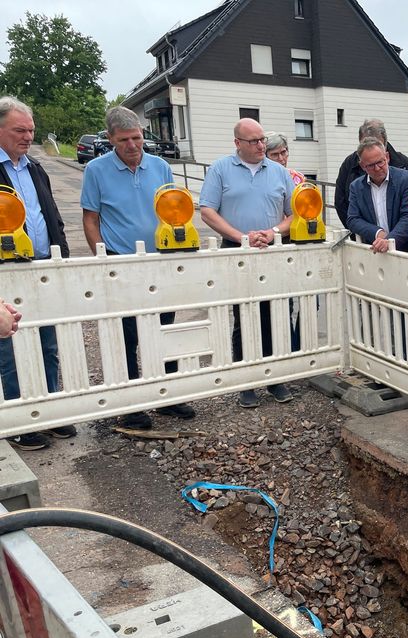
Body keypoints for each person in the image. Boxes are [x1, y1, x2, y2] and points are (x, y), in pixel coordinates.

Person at [81, 106, 196, 430]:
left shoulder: (160, 166)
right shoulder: (96, 170)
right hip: (122, 261)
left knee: (163, 330)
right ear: (110, 139)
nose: (132, 145)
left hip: (160, 259)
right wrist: (103, 257)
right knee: (127, 334)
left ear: (142, 134)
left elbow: (174, 210)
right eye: (123, 140)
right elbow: (90, 219)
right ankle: (132, 405)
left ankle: (167, 396)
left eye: (136, 138)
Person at [199, 118, 295, 409]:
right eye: (254, 141)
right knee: (243, 316)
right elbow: (207, 210)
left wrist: (273, 232)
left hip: (272, 249)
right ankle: (246, 382)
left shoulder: (279, 172)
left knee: (275, 313)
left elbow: (295, 213)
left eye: (262, 139)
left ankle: (275, 378)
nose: (261, 146)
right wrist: (241, 237)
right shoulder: (220, 169)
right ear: (237, 143)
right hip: (236, 250)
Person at [0, 96, 74, 450]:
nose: (28, 137)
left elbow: (51, 214)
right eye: (20, 130)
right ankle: (20, 420)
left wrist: (62, 255)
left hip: (43, 266)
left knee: (47, 342)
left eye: (31, 130)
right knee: (10, 345)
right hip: (7, 271)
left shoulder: (34, 168)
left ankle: (49, 411)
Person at [335, 119, 408, 230]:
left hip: (401, 237)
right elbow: (341, 202)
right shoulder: (349, 164)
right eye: (366, 144)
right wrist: (359, 231)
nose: (376, 168)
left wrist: (392, 237)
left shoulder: (403, 164)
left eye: (376, 144)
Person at [346, 137, 408, 253]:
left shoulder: (407, 180)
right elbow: (353, 219)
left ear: (387, 157)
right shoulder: (356, 187)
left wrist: (389, 240)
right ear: (362, 166)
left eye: (380, 162)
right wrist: (377, 232)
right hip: (374, 251)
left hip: (403, 252)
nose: (377, 168)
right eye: (371, 165)